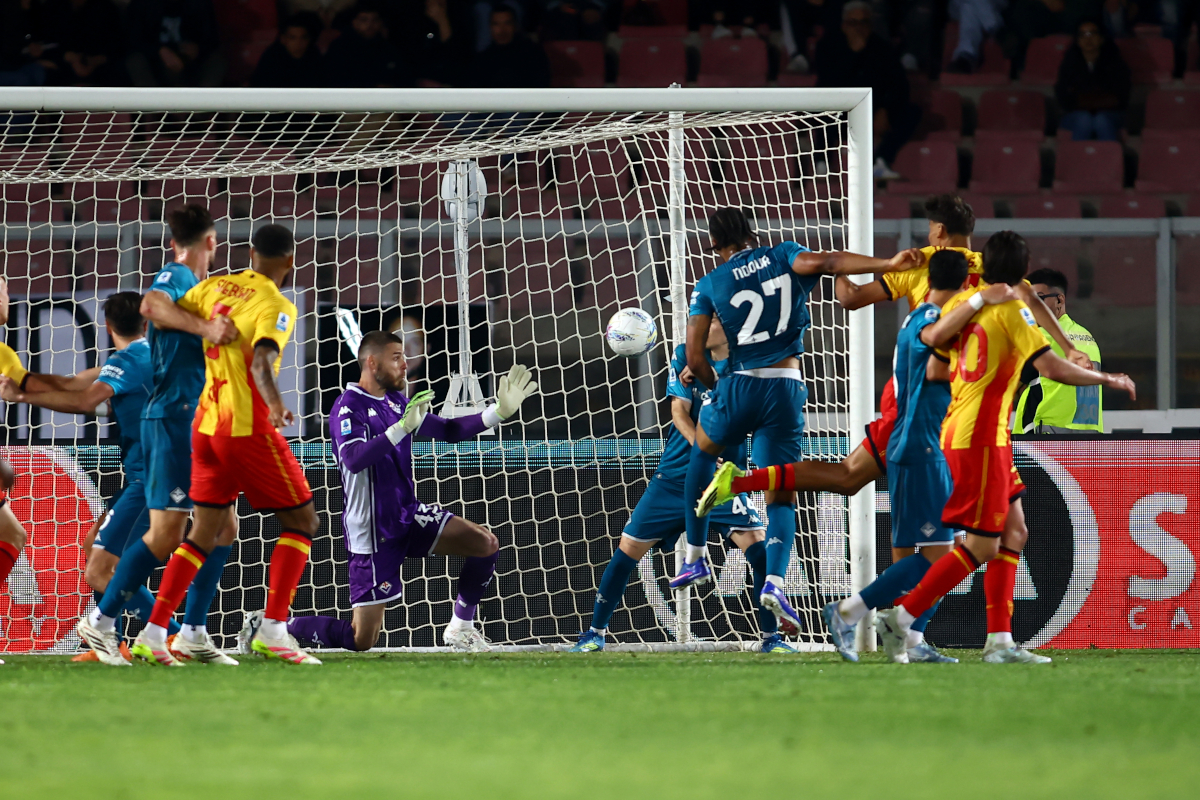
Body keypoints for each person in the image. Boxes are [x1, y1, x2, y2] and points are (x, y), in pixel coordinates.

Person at [698, 195, 1091, 517]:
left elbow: (850, 299)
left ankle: (743, 482)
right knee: (990, 527)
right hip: (967, 409)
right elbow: (1034, 302)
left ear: (938, 231)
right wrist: (1070, 347)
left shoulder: (922, 265)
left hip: (922, 405)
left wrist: (837, 265)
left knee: (854, 480)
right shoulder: (999, 271)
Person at [877, 231, 1136, 663]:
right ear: (1022, 272)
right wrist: (1109, 380)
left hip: (980, 432)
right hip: (978, 436)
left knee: (1015, 532)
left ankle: (999, 641)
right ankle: (901, 617)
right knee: (981, 545)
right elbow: (1051, 367)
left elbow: (936, 360)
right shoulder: (1013, 311)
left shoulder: (965, 306)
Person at [673, 207, 922, 637]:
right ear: (752, 233)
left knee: (702, 453)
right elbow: (829, 262)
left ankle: (694, 556)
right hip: (786, 389)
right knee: (780, 491)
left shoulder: (710, 283)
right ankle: (775, 580)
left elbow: (695, 357)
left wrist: (714, 391)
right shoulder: (784, 255)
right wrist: (888, 263)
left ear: (716, 244)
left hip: (741, 383)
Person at [129, 224, 321, 666]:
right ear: (290, 261)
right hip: (244, 428)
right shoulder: (277, 304)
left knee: (207, 530)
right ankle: (274, 630)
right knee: (302, 521)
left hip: (205, 426)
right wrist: (275, 404)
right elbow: (262, 363)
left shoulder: (216, 285)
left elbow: (157, 308)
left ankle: (155, 632)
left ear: (252, 253)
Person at [284, 331, 537, 654]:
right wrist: (401, 428)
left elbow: (447, 430)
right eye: (396, 357)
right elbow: (354, 458)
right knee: (362, 639)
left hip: (407, 513)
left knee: (484, 544)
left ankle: (461, 627)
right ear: (371, 362)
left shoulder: (395, 402)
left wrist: (497, 412)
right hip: (373, 530)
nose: (405, 364)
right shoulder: (348, 407)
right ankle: (275, 624)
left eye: (404, 356)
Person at [823, 251, 1015, 664]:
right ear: (966, 285)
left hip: (910, 444)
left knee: (930, 554)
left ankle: (908, 638)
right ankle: (848, 613)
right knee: (941, 559)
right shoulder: (932, 325)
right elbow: (935, 371)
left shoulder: (916, 316)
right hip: (924, 447)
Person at [76, 205, 239, 668]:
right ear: (212, 242)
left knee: (224, 524)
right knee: (167, 533)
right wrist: (206, 327)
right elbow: (151, 306)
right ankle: (104, 622)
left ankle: (191, 632)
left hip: (195, 419)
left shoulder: (199, 288)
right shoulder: (176, 275)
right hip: (171, 419)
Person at [572, 331, 792, 655]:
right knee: (626, 553)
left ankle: (771, 639)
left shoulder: (750, 363)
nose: (704, 327)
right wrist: (702, 451)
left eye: (712, 320)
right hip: (673, 479)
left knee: (758, 549)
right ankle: (595, 633)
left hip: (722, 481)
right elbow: (678, 413)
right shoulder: (685, 354)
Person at [0, 292, 181, 662]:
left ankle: (173, 635)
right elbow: (70, 384)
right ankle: (109, 643)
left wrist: (21, 398)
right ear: (147, 323)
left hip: (151, 479)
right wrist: (22, 382)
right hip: (155, 475)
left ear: (107, 326)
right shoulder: (151, 357)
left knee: (99, 569)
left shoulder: (130, 360)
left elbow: (83, 400)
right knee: (93, 550)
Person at [813, 1, 920, 181]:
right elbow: (828, 84)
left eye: (863, 23)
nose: (858, 28)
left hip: (873, 113)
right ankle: (821, 162)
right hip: (840, 114)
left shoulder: (882, 49)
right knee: (821, 107)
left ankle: (880, 161)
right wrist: (853, 54)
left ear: (870, 25)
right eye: (853, 23)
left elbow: (899, 86)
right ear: (844, 25)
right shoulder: (828, 47)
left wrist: (885, 110)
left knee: (912, 112)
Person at [1014, 268, 1103, 433]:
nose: (1031, 307)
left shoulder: (1041, 335)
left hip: (1045, 436)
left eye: (1038, 299)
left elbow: (1010, 383)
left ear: (1059, 301)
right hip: (1088, 437)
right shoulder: (1087, 337)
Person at [1055, 19, 1130, 142]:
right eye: (1083, 35)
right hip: (1076, 114)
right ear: (1077, 40)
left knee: (1101, 120)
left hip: (1110, 114)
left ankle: (1110, 160)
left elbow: (1121, 97)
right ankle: (1079, 160)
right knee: (1084, 119)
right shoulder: (1068, 64)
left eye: (1092, 33)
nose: (1088, 39)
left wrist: (1083, 98)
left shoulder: (1116, 64)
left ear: (1101, 38)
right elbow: (1064, 97)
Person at [125, 0, 224, 87]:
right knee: (135, 61)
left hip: (191, 64)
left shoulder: (200, 3)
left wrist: (198, 48)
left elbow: (212, 39)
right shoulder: (143, 3)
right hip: (154, 65)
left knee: (217, 61)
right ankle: (153, 105)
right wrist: (159, 50)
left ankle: (202, 105)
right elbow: (132, 41)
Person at [324, 1, 411, 87]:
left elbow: (403, 79)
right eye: (364, 20)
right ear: (354, 22)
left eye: (375, 20)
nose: (370, 24)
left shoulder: (389, 48)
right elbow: (334, 79)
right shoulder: (340, 48)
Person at [43, 0, 126, 86]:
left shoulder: (107, 9)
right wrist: (68, 57)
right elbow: (45, 45)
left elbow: (119, 45)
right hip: (62, 67)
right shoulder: (53, 8)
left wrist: (98, 60)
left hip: (101, 68)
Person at [471, 5, 551, 88]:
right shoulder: (482, 60)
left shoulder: (533, 54)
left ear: (515, 26)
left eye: (507, 23)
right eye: (496, 24)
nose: (502, 30)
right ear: (490, 27)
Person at [250, 13, 325, 88]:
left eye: (303, 38)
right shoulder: (271, 58)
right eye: (292, 38)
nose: (298, 43)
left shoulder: (314, 56)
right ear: (283, 39)